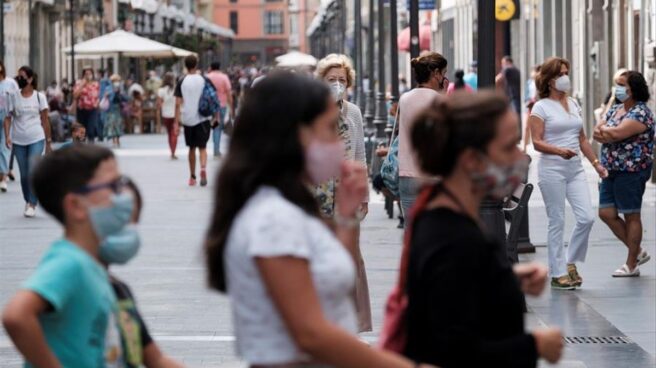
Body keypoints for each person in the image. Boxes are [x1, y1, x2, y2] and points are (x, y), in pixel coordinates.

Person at [204, 72, 433, 368]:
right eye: (329, 129)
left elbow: (331, 281)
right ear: (296, 135)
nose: (338, 140)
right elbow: (311, 334)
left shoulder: (291, 205)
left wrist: (348, 218)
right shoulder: (272, 220)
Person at [404, 91, 563, 367]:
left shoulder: (446, 214)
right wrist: (535, 345)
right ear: (471, 160)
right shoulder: (453, 238)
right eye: (508, 147)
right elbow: (453, 352)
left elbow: (458, 294)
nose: (520, 157)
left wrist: (504, 278)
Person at [2, 145, 131, 367]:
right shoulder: (70, 262)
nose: (124, 195)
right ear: (76, 206)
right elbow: (16, 316)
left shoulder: (91, 264)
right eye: (114, 186)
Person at [528, 57, 607, 289]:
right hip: (552, 169)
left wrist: (596, 163)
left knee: (586, 217)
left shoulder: (573, 103)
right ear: (551, 80)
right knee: (557, 221)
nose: (566, 77)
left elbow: (582, 138)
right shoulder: (540, 108)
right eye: (562, 73)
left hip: (575, 169)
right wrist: (559, 151)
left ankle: (570, 261)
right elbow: (536, 142)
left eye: (567, 72)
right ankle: (557, 273)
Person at [315, 53, 371, 332]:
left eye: (341, 80)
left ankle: (353, 324)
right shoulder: (311, 111)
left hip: (347, 197)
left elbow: (360, 153)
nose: (337, 84)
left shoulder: (354, 112)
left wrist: (364, 196)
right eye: (331, 79)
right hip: (319, 197)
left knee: (351, 258)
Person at [101, 178, 184, 368]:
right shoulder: (73, 269)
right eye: (120, 218)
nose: (128, 231)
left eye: (132, 222)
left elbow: (154, 359)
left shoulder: (118, 290)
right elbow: (19, 315)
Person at [593, 70, 654, 277]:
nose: (617, 89)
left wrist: (607, 132)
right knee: (606, 213)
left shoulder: (641, 112)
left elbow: (617, 133)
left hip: (631, 170)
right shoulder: (617, 108)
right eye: (616, 84)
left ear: (633, 89)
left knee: (631, 214)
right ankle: (636, 251)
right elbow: (596, 132)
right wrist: (607, 132)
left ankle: (631, 263)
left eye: (621, 85)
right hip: (610, 169)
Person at [398, 52, 448, 221]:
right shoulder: (440, 101)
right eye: (443, 73)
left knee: (411, 231)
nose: (444, 77)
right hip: (432, 176)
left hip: (406, 174)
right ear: (436, 74)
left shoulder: (404, 99)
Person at [3, 65, 52, 218]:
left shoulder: (39, 97)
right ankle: (28, 200)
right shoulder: (13, 96)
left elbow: (45, 120)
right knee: (24, 175)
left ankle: (32, 202)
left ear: (30, 79)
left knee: (32, 170)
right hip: (19, 140)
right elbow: (8, 118)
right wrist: (7, 136)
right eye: (18, 76)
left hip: (36, 138)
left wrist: (48, 143)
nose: (19, 79)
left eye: (22, 76)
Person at [174, 55, 216, 187]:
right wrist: (216, 116)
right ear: (196, 64)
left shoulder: (182, 81)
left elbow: (177, 103)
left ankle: (192, 177)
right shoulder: (204, 79)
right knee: (202, 147)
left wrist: (176, 122)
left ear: (185, 65)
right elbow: (212, 97)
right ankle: (203, 168)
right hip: (203, 117)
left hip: (188, 118)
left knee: (191, 148)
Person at [206, 61, 234, 158]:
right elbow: (229, 93)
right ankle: (216, 150)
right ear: (219, 67)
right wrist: (231, 106)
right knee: (218, 127)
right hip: (222, 105)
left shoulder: (207, 77)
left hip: (210, 106)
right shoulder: (224, 77)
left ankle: (216, 148)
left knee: (215, 127)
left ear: (211, 67)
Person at [0, 60, 19, 193]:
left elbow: (17, 98)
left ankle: (3, 177)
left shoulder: (10, 83)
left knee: (4, 146)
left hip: (6, 117)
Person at [73, 67, 101, 142]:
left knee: (91, 130)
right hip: (81, 109)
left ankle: (91, 149)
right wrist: (82, 85)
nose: (88, 75)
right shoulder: (79, 83)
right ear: (83, 75)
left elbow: (98, 96)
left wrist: (97, 104)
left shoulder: (96, 84)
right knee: (82, 132)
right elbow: (75, 95)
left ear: (92, 74)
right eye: (86, 74)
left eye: (90, 73)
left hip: (92, 110)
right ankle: (83, 149)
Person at [157, 72, 179, 159]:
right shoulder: (176, 90)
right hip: (175, 114)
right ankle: (173, 152)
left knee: (169, 133)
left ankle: (172, 151)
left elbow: (159, 104)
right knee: (174, 134)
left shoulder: (161, 90)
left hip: (165, 114)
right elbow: (179, 103)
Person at [104, 74, 129, 147]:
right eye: (115, 80)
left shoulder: (121, 88)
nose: (116, 82)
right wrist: (113, 92)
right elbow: (109, 98)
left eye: (118, 80)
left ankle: (118, 139)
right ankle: (114, 139)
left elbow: (126, 99)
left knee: (118, 124)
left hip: (118, 109)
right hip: (111, 109)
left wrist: (120, 93)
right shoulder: (108, 88)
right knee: (111, 124)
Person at [523, 65, 540, 151]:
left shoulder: (541, 83)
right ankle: (524, 148)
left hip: (539, 107)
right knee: (527, 127)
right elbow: (526, 94)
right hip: (530, 106)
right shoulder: (529, 82)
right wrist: (528, 101)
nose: (533, 73)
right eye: (533, 71)